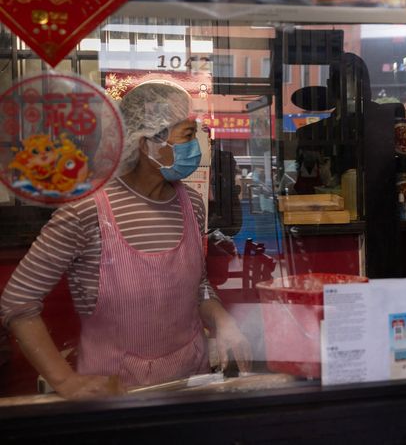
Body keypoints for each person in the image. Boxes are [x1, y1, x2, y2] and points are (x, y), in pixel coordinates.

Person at [0, 81, 252, 399]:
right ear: (148, 142)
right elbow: (17, 302)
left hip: (189, 383)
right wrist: (64, 380)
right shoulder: (86, 210)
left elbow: (197, 284)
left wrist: (222, 321)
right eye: (188, 135)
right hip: (117, 395)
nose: (197, 145)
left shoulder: (191, 203)